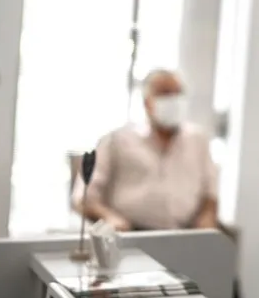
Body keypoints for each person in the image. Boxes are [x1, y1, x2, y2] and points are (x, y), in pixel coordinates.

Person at [73, 68, 219, 231]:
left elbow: (210, 193)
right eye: (165, 93)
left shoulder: (198, 141)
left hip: (183, 235)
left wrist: (207, 220)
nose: (173, 100)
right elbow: (84, 197)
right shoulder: (116, 140)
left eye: (177, 94)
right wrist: (109, 218)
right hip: (129, 233)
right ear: (146, 102)